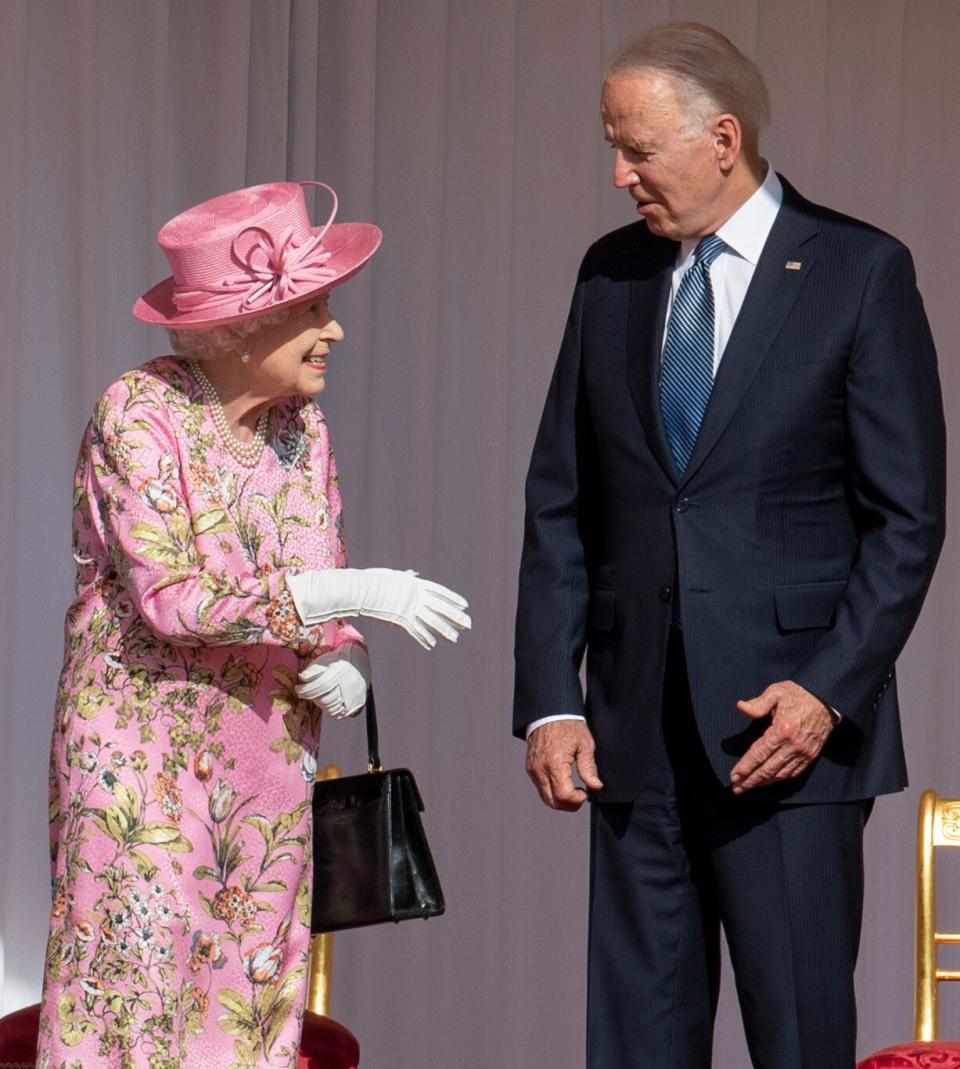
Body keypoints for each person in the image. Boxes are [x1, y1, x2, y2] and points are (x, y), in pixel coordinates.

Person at [513, 22, 945, 1069]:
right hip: (631, 732)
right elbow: (560, 500)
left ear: (723, 136)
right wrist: (552, 698)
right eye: (611, 144)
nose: (619, 174)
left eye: (639, 147)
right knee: (639, 1041)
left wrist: (828, 689)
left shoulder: (858, 271)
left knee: (798, 1034)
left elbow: (908, 517)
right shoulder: (609, 275)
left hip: (784, 735)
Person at [38, 180, 470, 1068]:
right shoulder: (138, 413)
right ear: (242, 326)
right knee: (135, 1002)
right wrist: (350, 594)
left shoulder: (301, 430)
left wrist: (344, 654)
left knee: (248, 1006)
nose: (337, 331)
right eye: (314, 309)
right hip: (141, 766)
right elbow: (172, 598)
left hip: (264, 761)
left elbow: (320, 561)